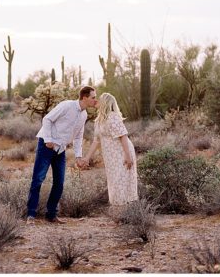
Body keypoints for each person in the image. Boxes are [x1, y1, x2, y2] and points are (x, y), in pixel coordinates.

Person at [25, 85, 99, 224]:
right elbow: (47, 119)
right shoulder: (66, 106)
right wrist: (48, 140)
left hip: (61, 149)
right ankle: (31, 215)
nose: (95, 100)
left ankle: (51, 215)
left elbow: (78, 136)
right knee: (38, 179)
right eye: (93, 97)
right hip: (47, 146)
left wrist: (78, 156)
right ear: (84, 97)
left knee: (59, 183)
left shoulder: (84, 115)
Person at [82, 92, 138, 209]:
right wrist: (87, 158)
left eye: (99, 99)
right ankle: (119, 211)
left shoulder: (113, 116)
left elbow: (123, 136)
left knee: (121, 180)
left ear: (105, 103)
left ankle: (125, 211)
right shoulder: (98, 120)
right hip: (110, 157)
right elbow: (96, 141)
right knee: (114, 181)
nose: (96, 100)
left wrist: (127, 156)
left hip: (122, 152)